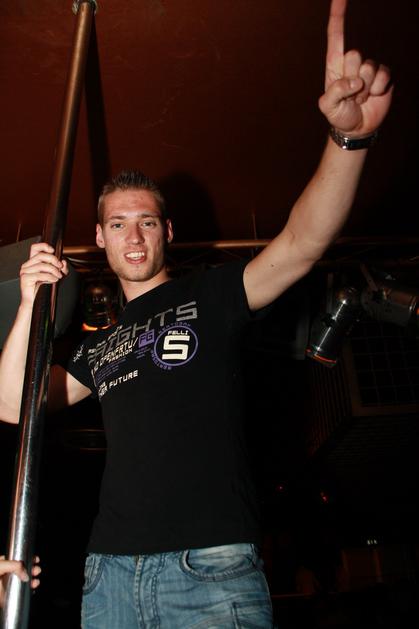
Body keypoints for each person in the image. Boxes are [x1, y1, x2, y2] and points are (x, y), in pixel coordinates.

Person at [0, 0, 392, 626]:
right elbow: (12, 406)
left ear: (167, 232)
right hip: (108, 575)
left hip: (209, 568)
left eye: (146, 222)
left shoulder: (210, 296)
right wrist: (28, 305)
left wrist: (351, 140)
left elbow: (301, 244)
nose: (133, 237)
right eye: (117, 224)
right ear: (99, 238)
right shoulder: (99, 346)